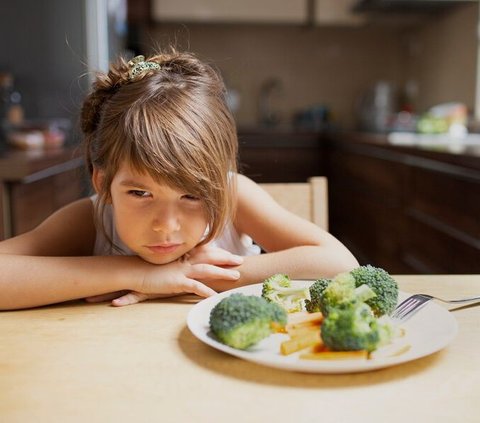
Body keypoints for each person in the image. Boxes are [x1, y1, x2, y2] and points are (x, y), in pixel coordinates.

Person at [0, 49, 358, 310]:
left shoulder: (234, 196)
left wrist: (199, 274)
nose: (166, 226)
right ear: (103, 183)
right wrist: (133, 273)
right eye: (140, 193)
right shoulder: (89, 220)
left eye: (191, 196)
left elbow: (340, 263)